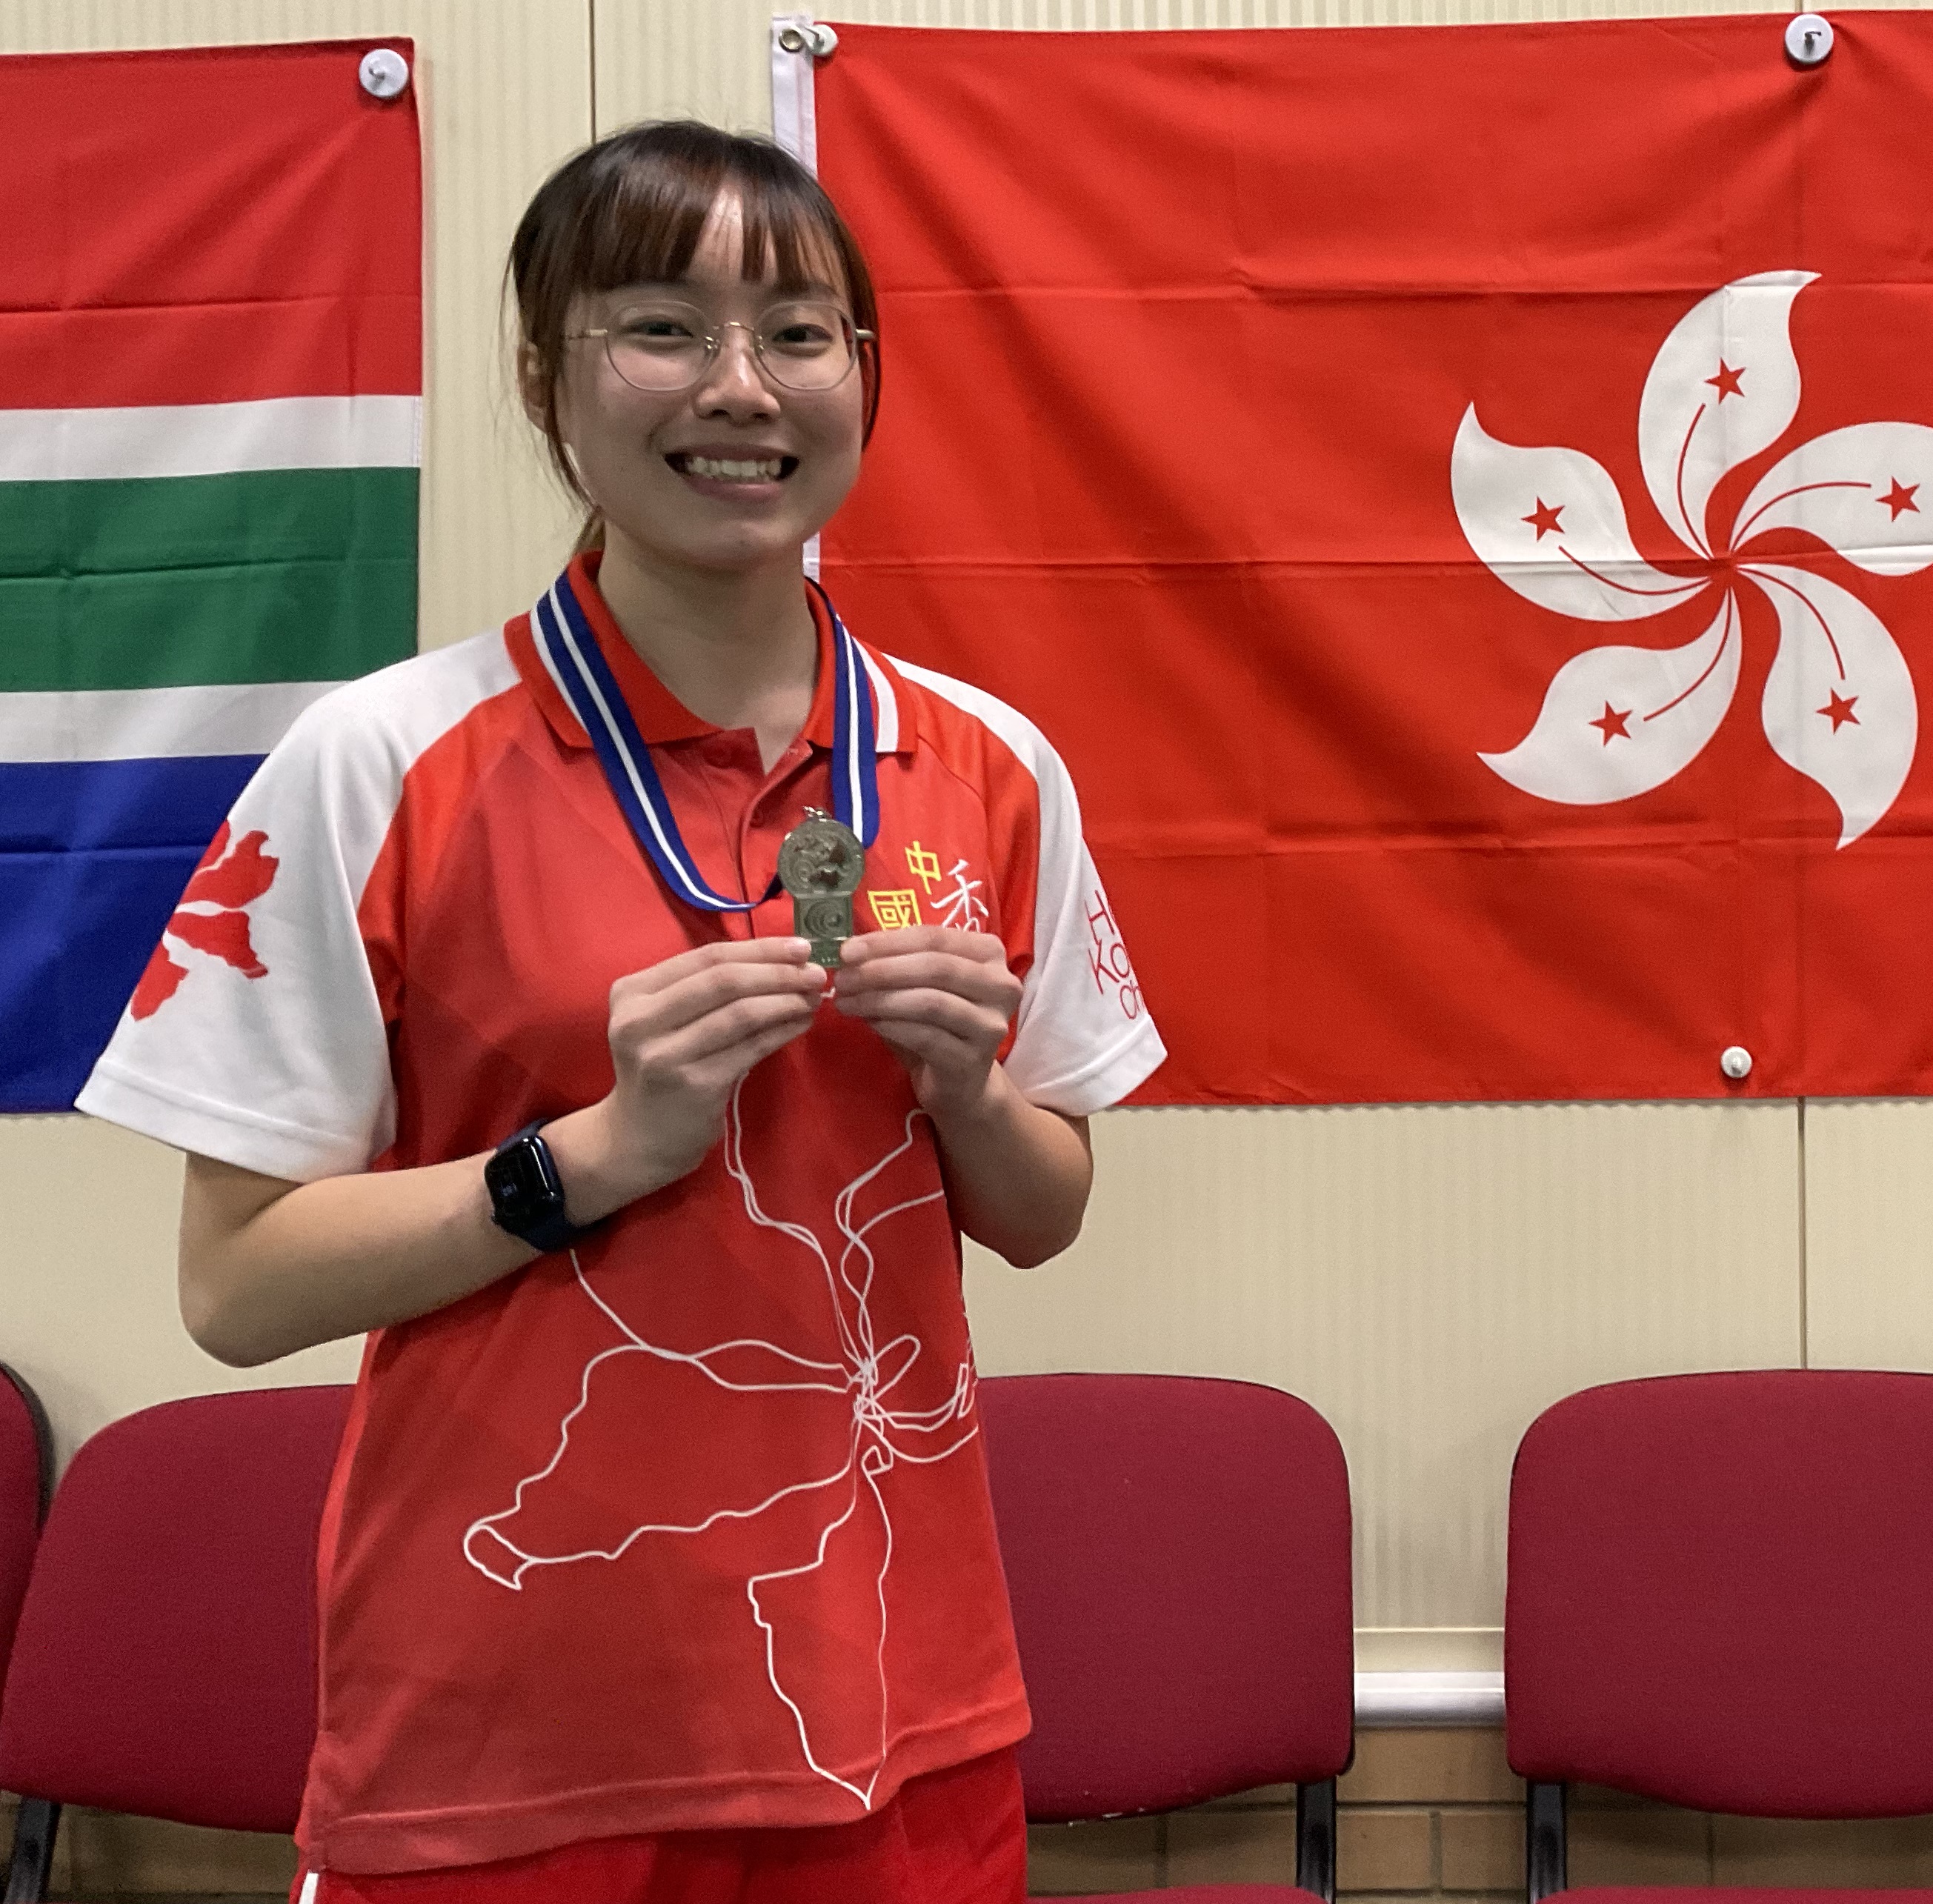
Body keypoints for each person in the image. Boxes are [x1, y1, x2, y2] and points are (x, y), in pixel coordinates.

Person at [78, 120, 1162, 1903]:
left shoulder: (988, 767)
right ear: (546, 375)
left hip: (891, 1716)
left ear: (863, 379)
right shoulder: (379, 761)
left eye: (800, 334)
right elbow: (235, 1289)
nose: (742, 387)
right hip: (509, 1736)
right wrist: (586, 1156)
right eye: (663, 326)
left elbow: (1042, 1214)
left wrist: (965, 1088)